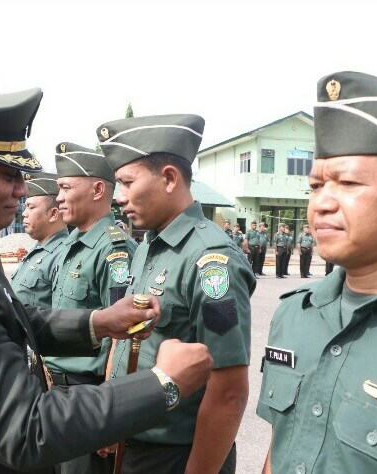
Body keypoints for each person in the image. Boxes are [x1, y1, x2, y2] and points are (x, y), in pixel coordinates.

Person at [0, 89, 214, 473]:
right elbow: (26, 430)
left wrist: (97, 322)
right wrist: (162, 383)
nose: (23, 190)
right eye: (10, 175)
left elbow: (2, 319)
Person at [258, 71, 377, 473]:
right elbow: (281, 446)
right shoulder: (294, 313)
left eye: (348, 182)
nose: (321, 204)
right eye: (316, 186)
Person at [99, 114, 256, 473]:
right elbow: (124, 342)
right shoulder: (148, 245)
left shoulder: (210, 259)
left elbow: (229, 390)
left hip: (176, 455)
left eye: (126, 183)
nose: (119, 198)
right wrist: (112, 418)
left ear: (169, 178)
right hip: (132, 443)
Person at [49, 142, 136, 474]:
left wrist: (112, 415)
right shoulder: (71, 244)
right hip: (56, 392)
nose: (58, 197)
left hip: (86, 397)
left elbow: (122, 335)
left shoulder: (114, 248)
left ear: (98, 189)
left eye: (65, 187)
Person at [10, 172, 68, 308]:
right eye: (25, 207)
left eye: (31, 207)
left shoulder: (62, 254)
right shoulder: (39, 250)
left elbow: (60, 316)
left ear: (53, 214)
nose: (24, 214)